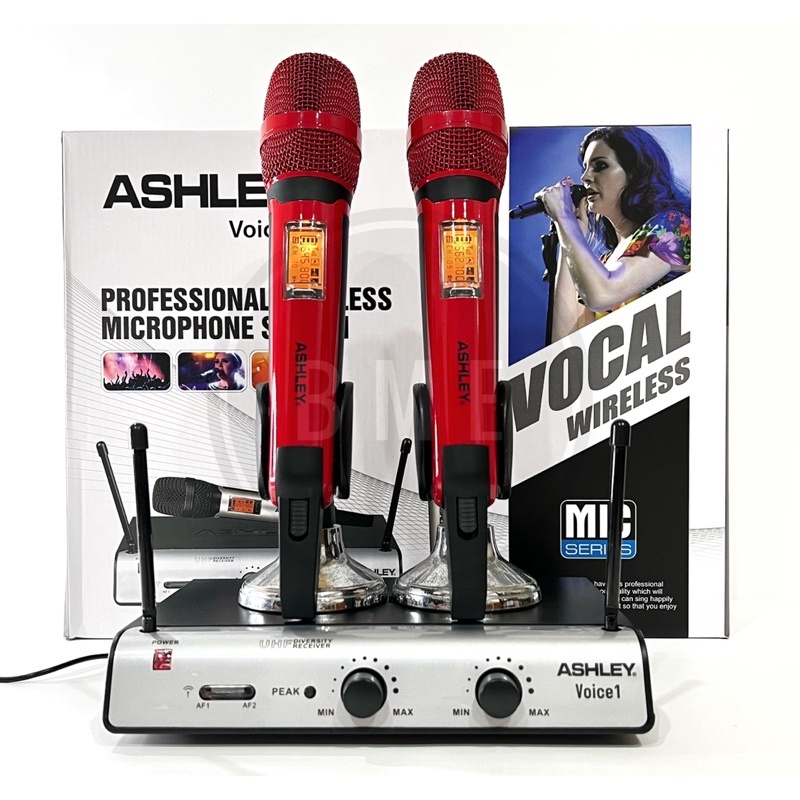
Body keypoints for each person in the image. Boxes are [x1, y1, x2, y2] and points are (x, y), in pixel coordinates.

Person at [536, 126, 691, 340]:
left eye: (600, 166)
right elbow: (565, 343)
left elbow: (603, 294)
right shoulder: (604, 264)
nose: (585, 177)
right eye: (585, 168)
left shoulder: (673, 227)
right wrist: (569, 232)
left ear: (634, 173)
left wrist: (564, 218)